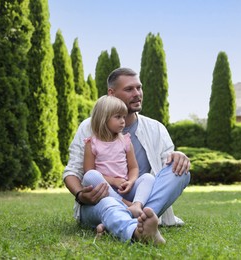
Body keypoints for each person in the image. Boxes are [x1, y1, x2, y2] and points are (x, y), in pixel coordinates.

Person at [63, 67, 191, 245]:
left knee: (180, 171)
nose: (137, 93)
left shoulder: (156, 128)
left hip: (140, 197)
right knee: (108, 204)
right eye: (129, 89)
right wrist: (80, 195)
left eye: (139, 88)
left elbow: (165, 168)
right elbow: (72, 171)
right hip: (101, 199)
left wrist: (178, 156)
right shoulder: (89, 127)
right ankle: (138, 231)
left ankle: (131, 217)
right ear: (111, 93)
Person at [82, 95, 155, 219]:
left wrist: (131, 182)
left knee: (148, 177)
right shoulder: (92, 143)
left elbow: (133, 168)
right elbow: (88, 171)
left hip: (125, 189)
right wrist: (113, 181)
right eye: (118, 117)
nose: (123, 121)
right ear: (103, 119)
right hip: (105, 192)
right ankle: (126, 205)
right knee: (90, 176)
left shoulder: (125, 141)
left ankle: (136, 205)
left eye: (123, 117)